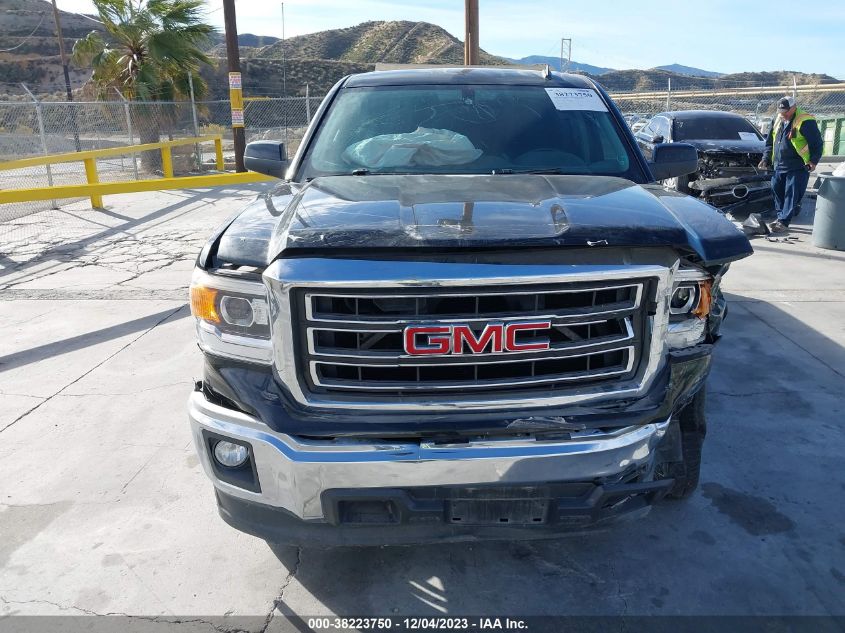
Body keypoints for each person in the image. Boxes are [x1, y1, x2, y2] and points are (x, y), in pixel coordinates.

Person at [758, 96, 823, 234]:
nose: (783, 114)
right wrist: (766, 158)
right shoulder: (777, 119)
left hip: (798, 164)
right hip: (779, 164)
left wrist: (814, 161)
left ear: (794, 108)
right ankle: (781, 216)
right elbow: (770, 142)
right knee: (777, 190)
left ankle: (783, 222)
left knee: (791, 193)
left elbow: (817, 143)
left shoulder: (805, 121)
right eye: (781, 111)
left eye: (786, 111)